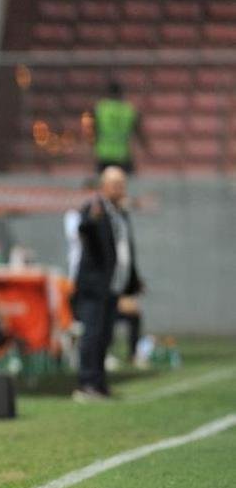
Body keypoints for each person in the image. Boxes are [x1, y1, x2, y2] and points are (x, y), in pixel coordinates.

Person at [73, 166, 143, 401]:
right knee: (92, 334)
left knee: (105, 336)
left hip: (113, 286)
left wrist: (133, 281)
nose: (119, 189)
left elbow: (125, 249)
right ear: (103, 185)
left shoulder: (119, 212)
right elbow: (84, 228)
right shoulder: (96, 208)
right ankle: (86, 384)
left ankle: (99, 383)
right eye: (115, 184)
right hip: (94, 285)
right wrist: (91, 221)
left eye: (122, 184)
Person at [92, 80, 145, 174]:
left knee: (104, 185)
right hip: (122, 155)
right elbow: (138, 132)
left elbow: (94, 131)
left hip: (104, 154)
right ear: (121, 93)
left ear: (107, 93)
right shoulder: (129, 110)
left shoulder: (100, 109)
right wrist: (146, 149)